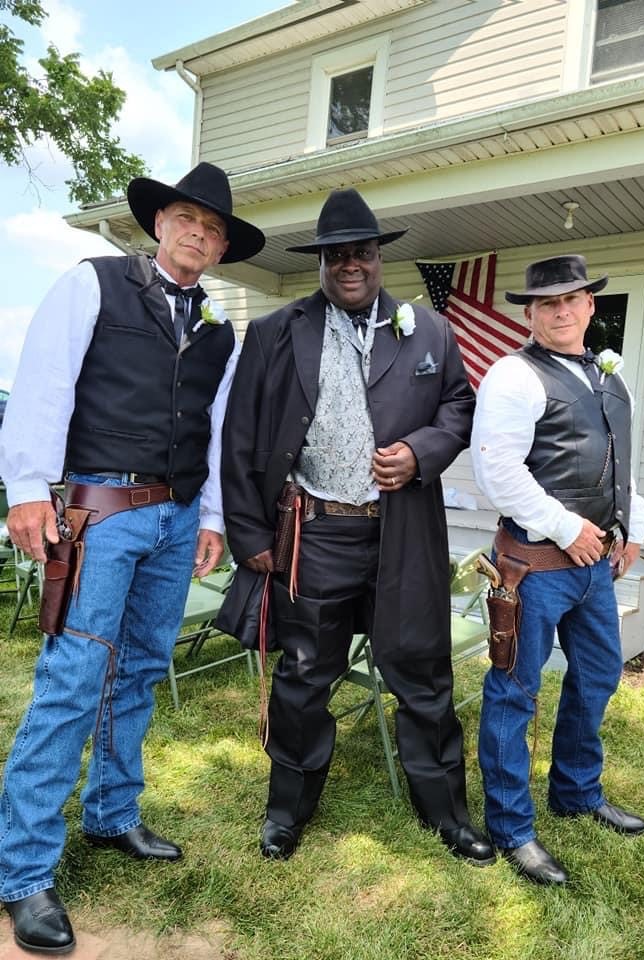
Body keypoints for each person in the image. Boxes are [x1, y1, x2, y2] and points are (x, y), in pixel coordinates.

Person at [0, 162, 264, 954]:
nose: (199, 234)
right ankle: (22, 871)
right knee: (72, 679)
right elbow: (44, 385)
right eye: (188, 218)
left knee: (142, 670)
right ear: (160, 224)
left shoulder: (221, 330)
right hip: (99, 511)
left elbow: (217, 431)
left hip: (177, 519)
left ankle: (113, 814)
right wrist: (25, 488)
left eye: (213, 229)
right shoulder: (95, 285)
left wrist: (211, 515)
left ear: (219, 248)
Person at [221, 187, 494, 867]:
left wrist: (423, 451)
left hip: (405, 532)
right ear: (320, 261)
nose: (350, 264)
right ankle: (287, 811)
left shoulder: (427, 328)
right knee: (305, 675)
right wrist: (248, 534)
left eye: (362, 252)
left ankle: (448, 814)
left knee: (423, 674)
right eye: (335, 254)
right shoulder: (275, 331)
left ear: (379, 257)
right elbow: (240, 435)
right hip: (316, 533)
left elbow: (460, 405)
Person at [470, 254, 644, 885]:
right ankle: (511, 827)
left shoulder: (610, 380)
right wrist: (568, 528)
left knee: (599, 674)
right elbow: (498, 471)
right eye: (548, 303)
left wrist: (633, 527)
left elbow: (618, 464)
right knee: (516, 692)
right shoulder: (513, 375)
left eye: (572, 299)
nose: (562, 311)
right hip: (533, 567)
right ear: (531, 313)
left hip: (596, 568)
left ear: (591, 305)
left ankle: (576, 791)